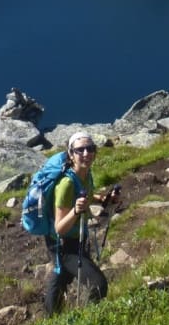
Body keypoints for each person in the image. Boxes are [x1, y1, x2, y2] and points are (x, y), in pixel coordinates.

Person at [44, 132, 121, 314]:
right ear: (71, 154)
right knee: (97, 284)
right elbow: (59, 228)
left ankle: (50, 324)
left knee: (61, 278)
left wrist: (103, 199)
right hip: (63, 245)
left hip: (77, 239)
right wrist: (76, 211)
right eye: (80, 150)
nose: (86, 153)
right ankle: (86, 323)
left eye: (90, 149)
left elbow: (86, 193)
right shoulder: (66, 185)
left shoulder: (85, 175)